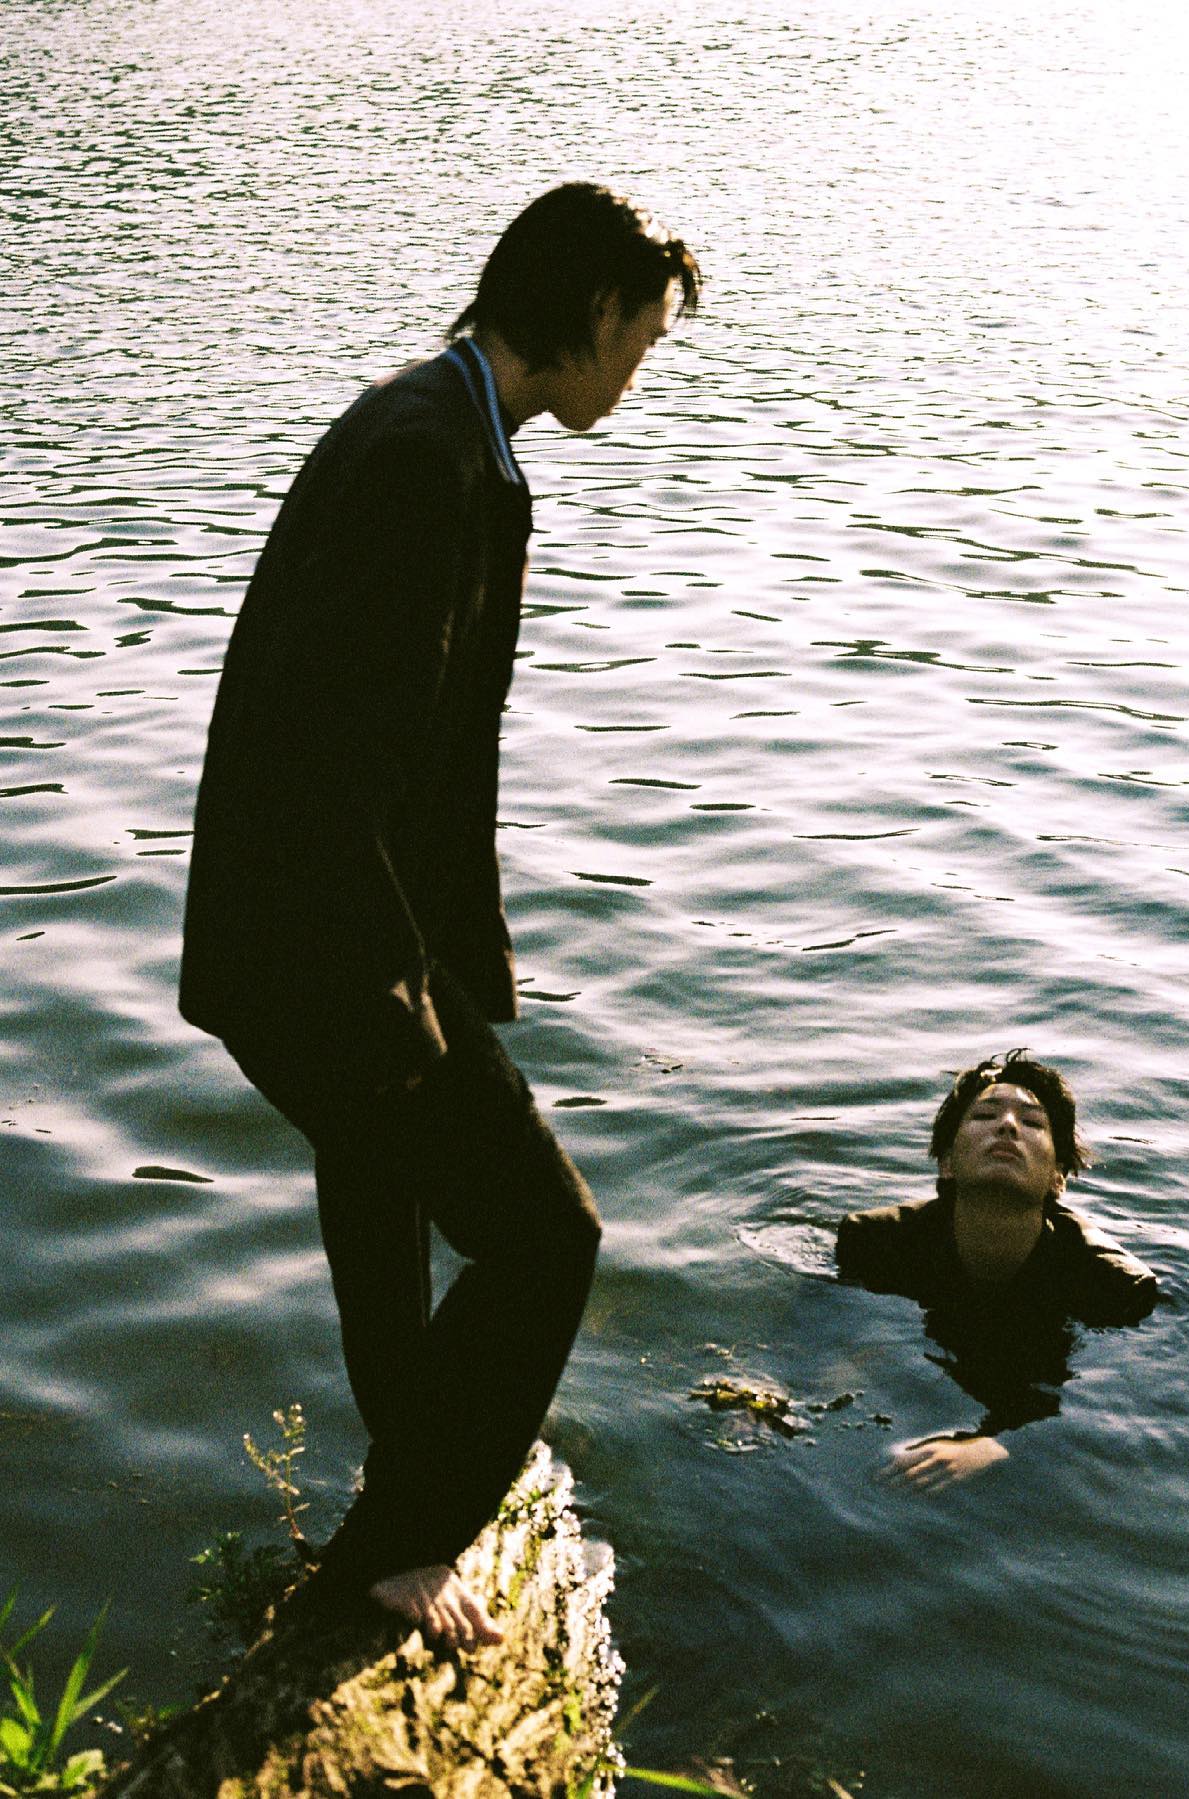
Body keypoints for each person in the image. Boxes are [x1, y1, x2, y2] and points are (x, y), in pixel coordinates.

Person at [179, 184, 701, 1649]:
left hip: (313, 934)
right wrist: (397, 1008)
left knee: (384, 1197)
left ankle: (397, 1507)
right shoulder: (427, 459)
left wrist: (444, 975)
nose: (639, 371)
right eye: (644, 338)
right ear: (593, 312)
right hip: (328, 943)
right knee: (549, 1239)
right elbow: (331, 759)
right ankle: (400, 1545)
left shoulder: (435, 424)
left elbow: (403, 756)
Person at [836, 1049, 1157, 1490]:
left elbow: (1124, 1403)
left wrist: (1001, 1444)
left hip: (1039, 1410)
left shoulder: (1113, 1285)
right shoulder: (876, 1243)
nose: (1007, 1125)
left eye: (1032, 1123)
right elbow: (823, 1341)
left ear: (1057, 1177)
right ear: (947, 1162)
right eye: (985, 1115)